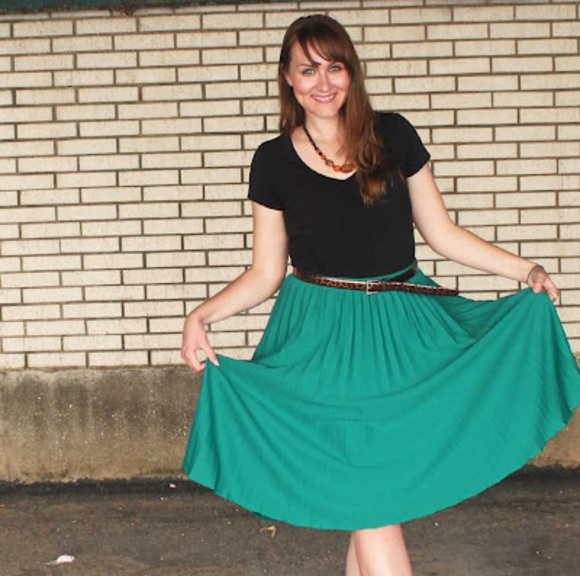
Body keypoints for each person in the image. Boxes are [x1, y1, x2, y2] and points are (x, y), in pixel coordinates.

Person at [181, 14, 580, 576]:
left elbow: (441, 233)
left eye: (335, 67)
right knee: (368, 492)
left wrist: (524, 270)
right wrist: (201, 315)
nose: (323, 82)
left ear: (352, 72)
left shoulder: (393, 135)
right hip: (322, 337)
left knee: (368, 492)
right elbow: (265, 272)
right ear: (288, 78)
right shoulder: (273, 161)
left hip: (402, 328)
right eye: (308, 70)